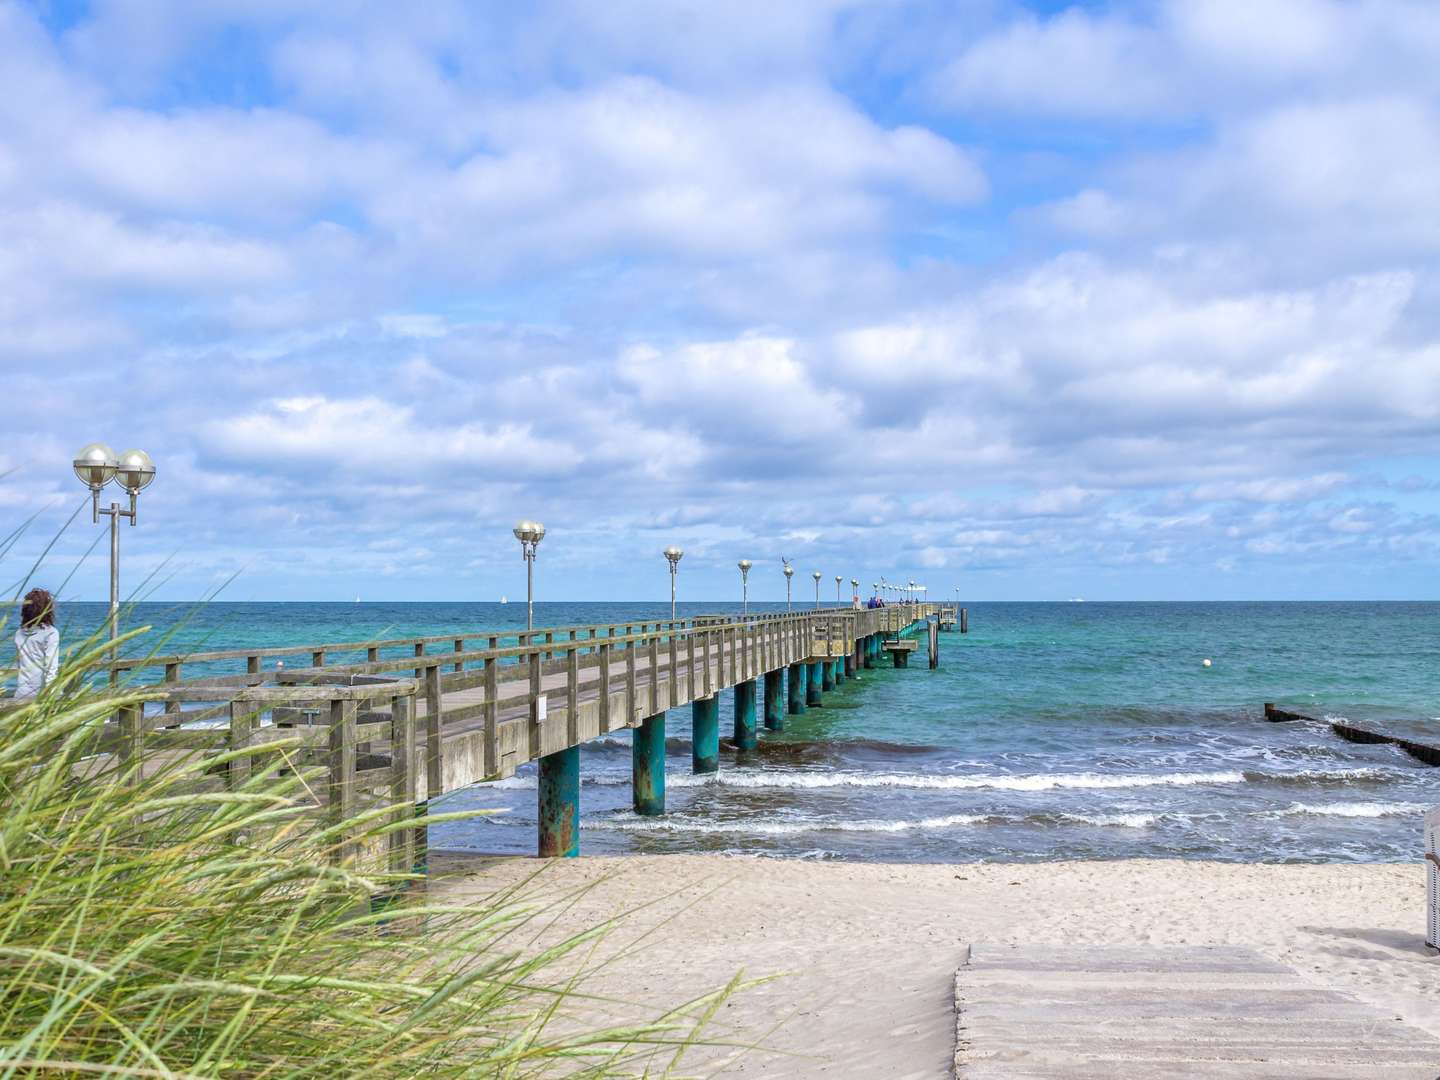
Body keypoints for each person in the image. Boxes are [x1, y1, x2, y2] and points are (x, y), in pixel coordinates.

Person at [13, 588, 59, 698]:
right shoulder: (50, 632)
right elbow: (51, 668)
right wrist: (52, 697)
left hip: (21, 693)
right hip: (42, 694)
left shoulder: (19, 633)